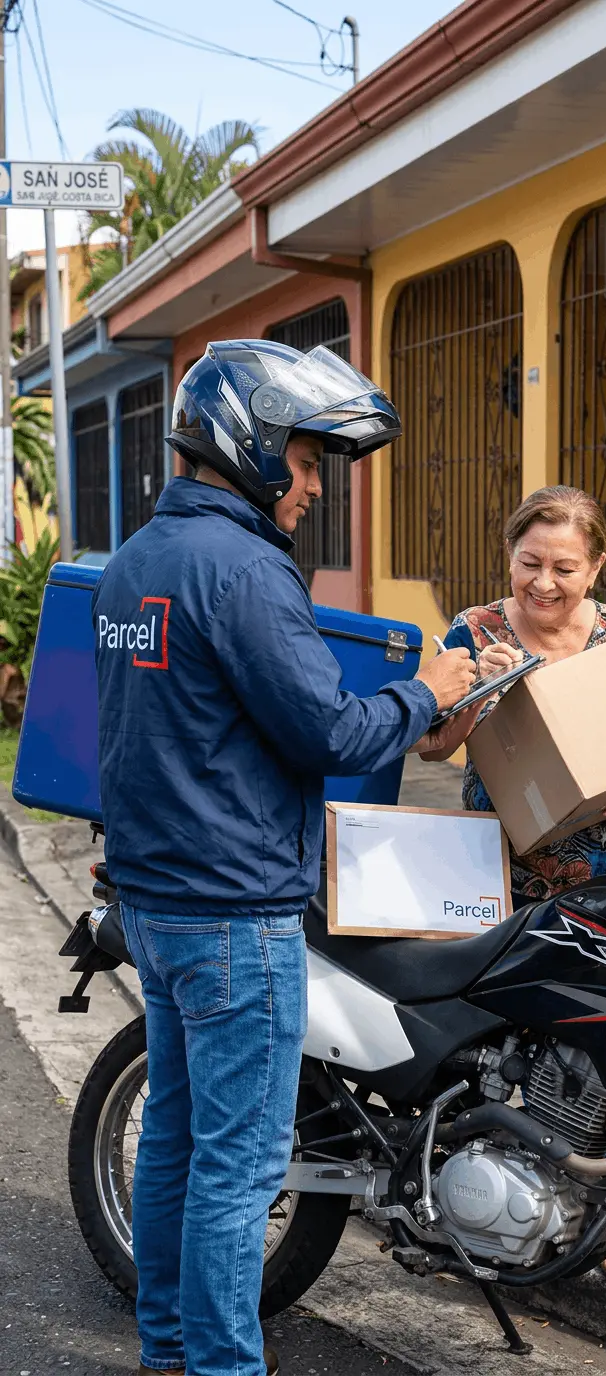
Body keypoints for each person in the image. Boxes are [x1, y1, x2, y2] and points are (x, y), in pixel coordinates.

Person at [92, 340, 477, 1376]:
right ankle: (221, 1365)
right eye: (307, 461)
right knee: (237, 1165)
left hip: (161, 903)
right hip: (231, 912)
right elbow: (331, 734)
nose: (314, 486)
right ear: (252, 442)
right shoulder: (245, 567)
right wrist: (432, 690)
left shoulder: (135, 563)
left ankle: (169, 1350)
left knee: (174, 1140)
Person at [426, 484, 606, 1279]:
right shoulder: (474, 630)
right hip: (494, 868)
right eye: (529, 562)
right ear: (509, 556)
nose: (543, 583)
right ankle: (477, 1191)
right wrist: (475, 693)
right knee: (492, 1041)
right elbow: (432, 746)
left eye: (563, 568)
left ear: (597, 566)